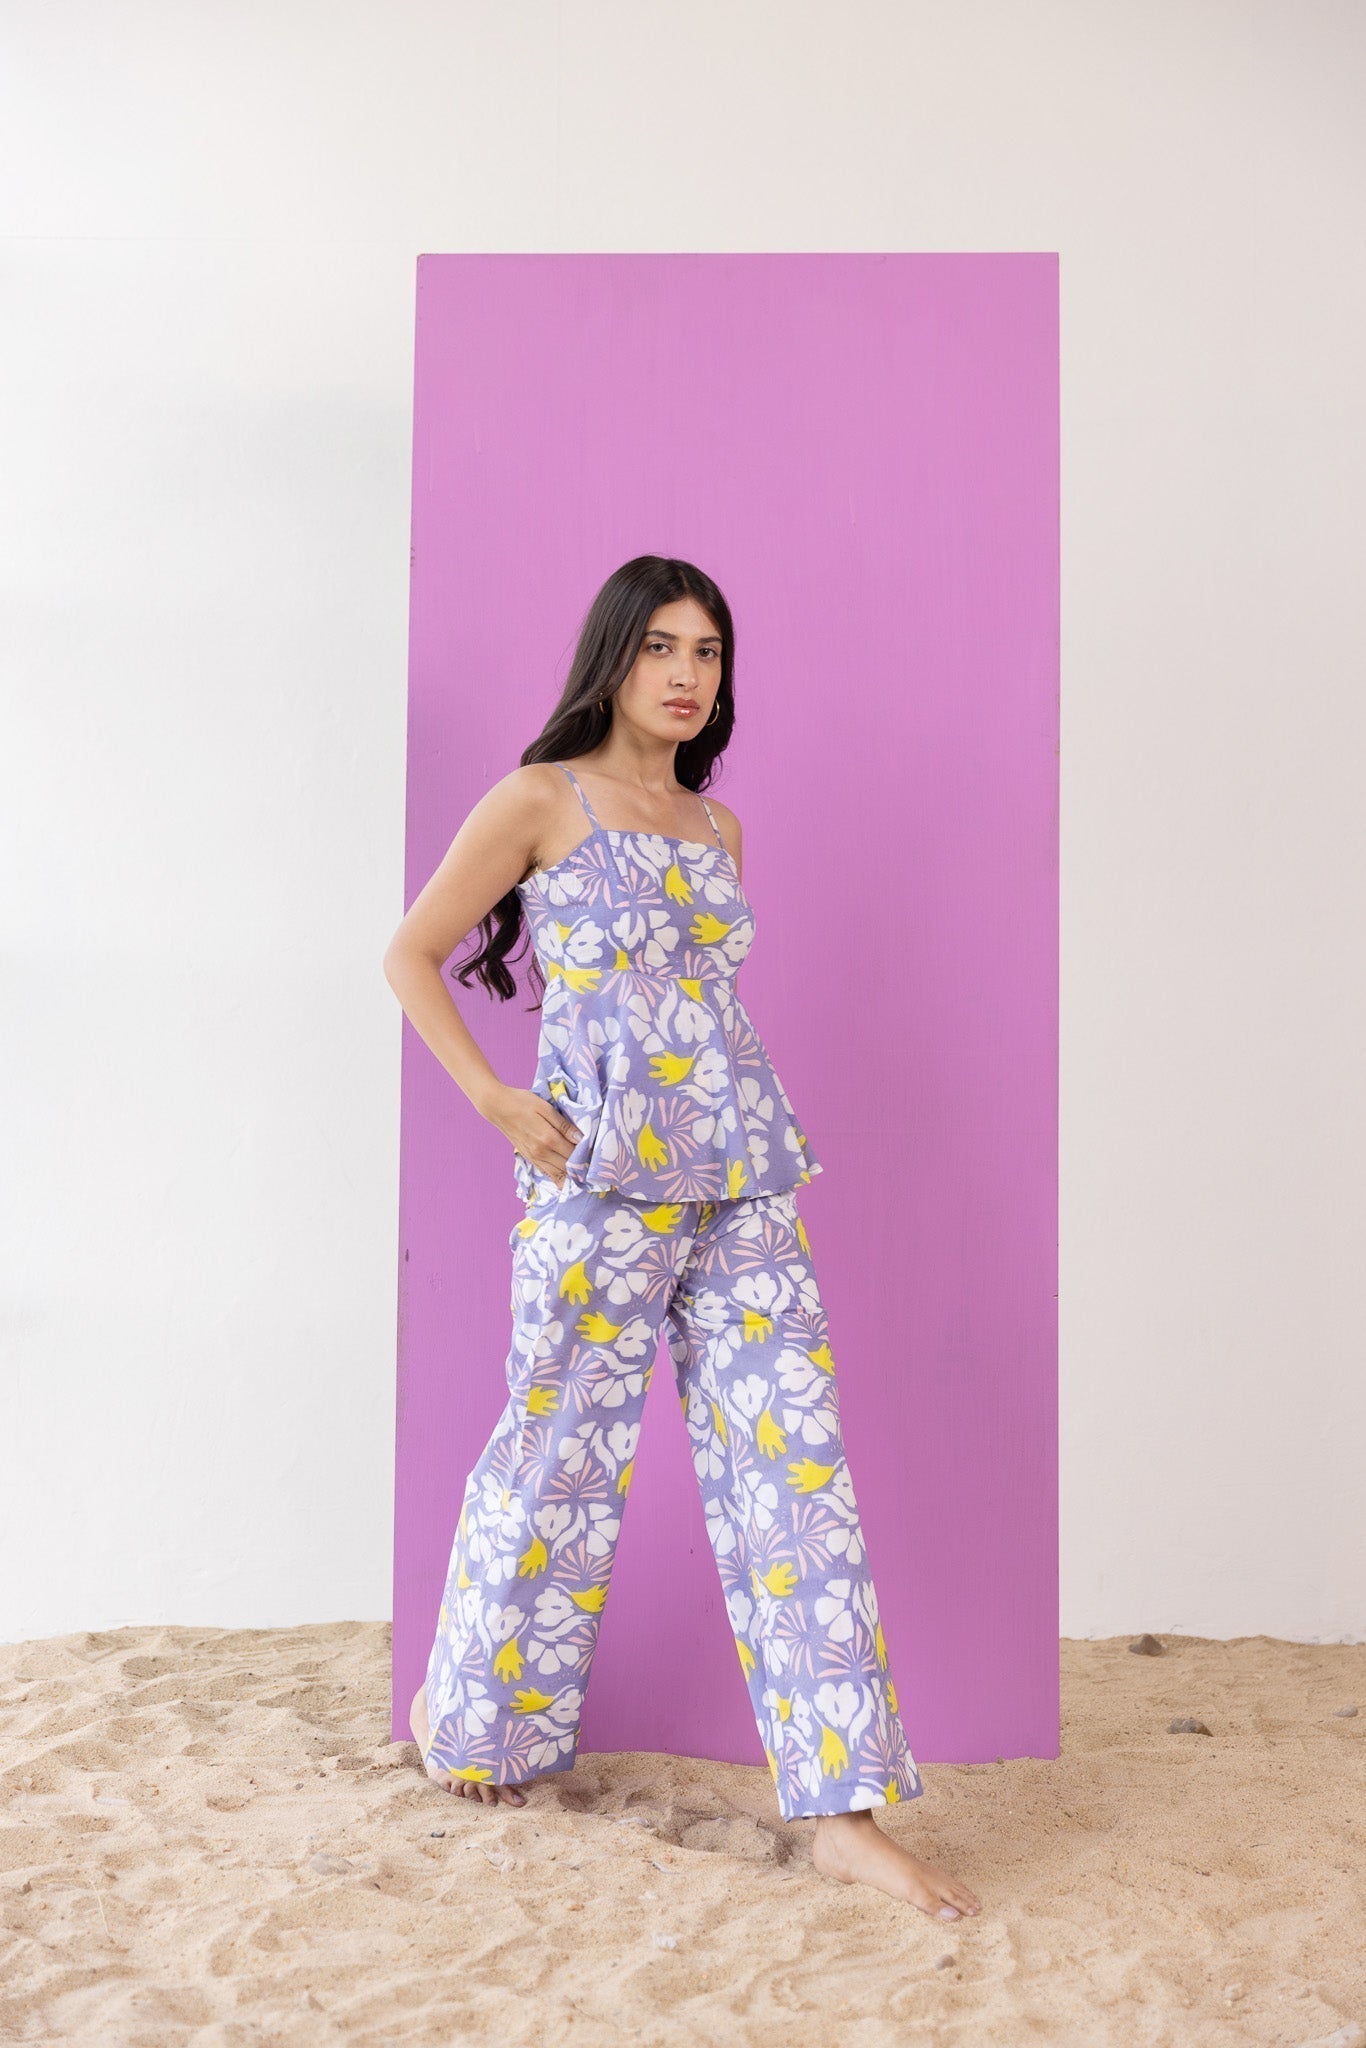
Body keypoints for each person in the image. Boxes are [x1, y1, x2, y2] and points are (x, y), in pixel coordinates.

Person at [382, 555, 981, 1918]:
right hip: (598, 1183)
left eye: (706, 651)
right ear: (613, 656)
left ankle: (841, 1812)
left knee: (795, 1470)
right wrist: (493, 1098)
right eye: (660, 645)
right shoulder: (541, 799)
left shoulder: (717, 828)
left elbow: (704, 1007)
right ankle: (473, 1720)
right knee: (559, 1457)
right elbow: (411, 950)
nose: (685, 672)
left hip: (742, 1173)